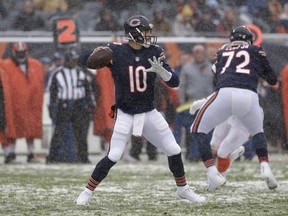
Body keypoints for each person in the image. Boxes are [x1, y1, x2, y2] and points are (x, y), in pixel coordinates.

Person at [75, 15, 205, 205]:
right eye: (146, 31)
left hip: (148, 111)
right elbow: (83, 59)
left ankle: (183, 189)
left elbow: (174, 83)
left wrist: (162, 71)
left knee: (173, 149)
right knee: (114, 155)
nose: (149, 35)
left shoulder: (154, 51)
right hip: (125, 112)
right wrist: (94, 54)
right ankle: (87, 192)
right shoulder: (116, 51)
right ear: (135, 33)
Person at [191, 25, 278, 192]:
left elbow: (218, 84)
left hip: (226, 96)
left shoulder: (222, 53)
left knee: (204, 135)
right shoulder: (255, 50)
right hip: (248, 98)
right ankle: (265, 166)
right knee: (253, 134)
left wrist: (203, 102)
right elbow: (272, 79)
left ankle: (213, 174)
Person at [46, 49, 95, 164]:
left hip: (79, 104)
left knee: (81, 134)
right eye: (72, 60)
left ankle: (83, 157)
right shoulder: (57, 73)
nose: (74, 62)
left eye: (75, 60)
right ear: (66, 60)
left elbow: (88, 90)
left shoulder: (81, 72)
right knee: (58, 133)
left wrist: (91, 105)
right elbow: (51, 92)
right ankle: (52, 158)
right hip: (63, 105)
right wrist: (51, 108)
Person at [0, 42, 44, 163]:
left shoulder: (35, 65)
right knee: (10, 129)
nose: (20, 55)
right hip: (12, 104)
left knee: (31, 129)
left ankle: (30, 153)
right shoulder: (5, 65)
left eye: (22, 52)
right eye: (18, 53)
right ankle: (9, 154)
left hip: (30, 104)